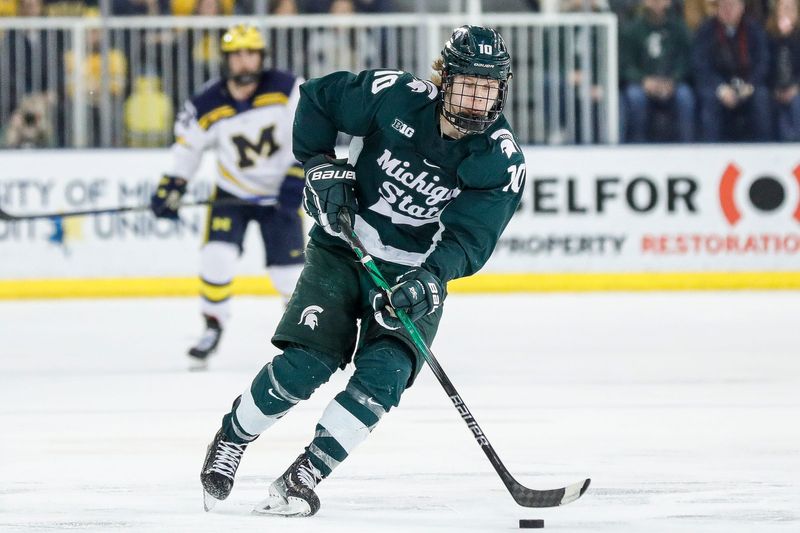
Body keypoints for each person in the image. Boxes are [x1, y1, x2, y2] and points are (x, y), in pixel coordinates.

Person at [198, 25, 526, 517]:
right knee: (306, 364)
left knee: (385, 376)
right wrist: (318, 166)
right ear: (444, 79)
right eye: (467, 84)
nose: (477, 99)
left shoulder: (499, 161)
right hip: (342, 246)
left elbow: (468, 239)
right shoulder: (394, 96)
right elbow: (317, 99)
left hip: (411, 274)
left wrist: (431, 278)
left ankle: (305, 474)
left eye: (488, 88)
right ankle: (233, 437)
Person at [150, 24, 306, 369]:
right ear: (225, 60)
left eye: (251, 53)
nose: (244, 62)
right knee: (215, 257)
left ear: (262, 57)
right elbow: (187, 149)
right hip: (232, 194)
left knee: (289, 276)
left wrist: (297, 176)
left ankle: (306, 335)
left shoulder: (287, 88)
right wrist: (173, 185)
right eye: (237, 55)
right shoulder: (206, 102)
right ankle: (212, 325)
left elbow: (309, 129)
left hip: (281, 196)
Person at [692, 0, 772, 141]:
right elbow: (701, 65)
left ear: (742, 8)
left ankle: (763, 151)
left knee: (761, 98)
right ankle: (710, 152)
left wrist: (750, 85)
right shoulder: (706, 31)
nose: (727, 10)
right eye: (723, 6)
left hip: (748, 85)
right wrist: (721, 88)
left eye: (732, 6)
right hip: (719, 86)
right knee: (708, 100)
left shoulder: (754, 30)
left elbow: (763, 62)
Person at [620, 0, 694, 142]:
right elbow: (626, 65)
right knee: (635, 97)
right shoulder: (632, 29)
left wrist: (674, 80)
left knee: (685, 97)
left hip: (672, 83)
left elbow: (686, 60)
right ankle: (636, 147)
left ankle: (687, 147)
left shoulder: (678, 28)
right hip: (642, 84)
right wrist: (644, 80)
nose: (657, 2)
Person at [767, 0, 800, 141]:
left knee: (797, 103)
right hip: (773, 89)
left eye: (791, 9)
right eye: (784, 9)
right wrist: (775, 89)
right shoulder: (767, 36)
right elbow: (764, 66)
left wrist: (796, 88)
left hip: (796, 90)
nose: (787, 13)